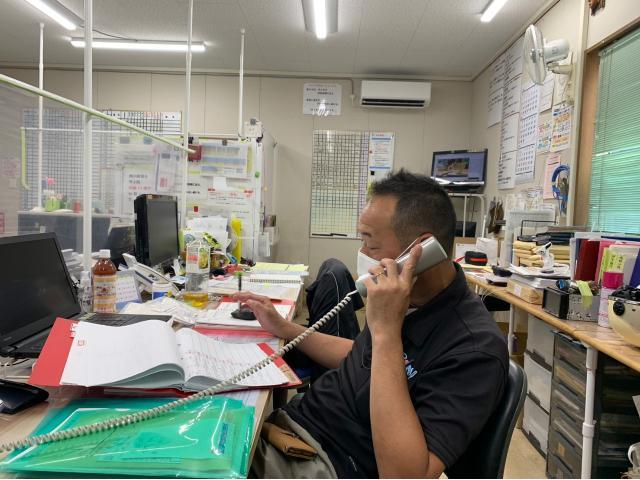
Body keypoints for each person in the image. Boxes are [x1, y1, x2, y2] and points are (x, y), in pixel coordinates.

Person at [237, 169, 508, 478]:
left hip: (323, 463)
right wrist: (287, 330)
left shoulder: (474, 349)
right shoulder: (409, 301)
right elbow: (360, 356)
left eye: (371, 243)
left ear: (419, 252)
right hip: (292, 432)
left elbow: (404, 476)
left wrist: (386, 333)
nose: (363, 254)